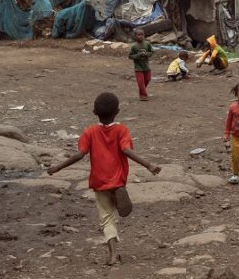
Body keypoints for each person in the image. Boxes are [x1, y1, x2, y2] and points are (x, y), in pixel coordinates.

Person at [47, 92, 161, 265]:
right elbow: (126, 150)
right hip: (117, 179)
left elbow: (80, 154)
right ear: (117, 111)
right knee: (114, 202)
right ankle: (118, 194)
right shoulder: (121, 130)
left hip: (99, 182)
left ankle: (113, 255)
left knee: (107, 218)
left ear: (94, 112)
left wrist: (57, 167)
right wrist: (149, 165)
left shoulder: (90, 132)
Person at [128, 28, 154, 101]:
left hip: (146, 66)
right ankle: (143, 95)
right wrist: (137, 56)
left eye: (142, 34)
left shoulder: (147, 44)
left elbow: (152, 52)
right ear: (135, 36)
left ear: (144, 35)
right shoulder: (134, 46)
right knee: (140, 81)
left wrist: (147, 54)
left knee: (148, 79)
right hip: (138, 67)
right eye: (138, 35)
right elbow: (130, 56)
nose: (140, 36)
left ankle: (142, 91)